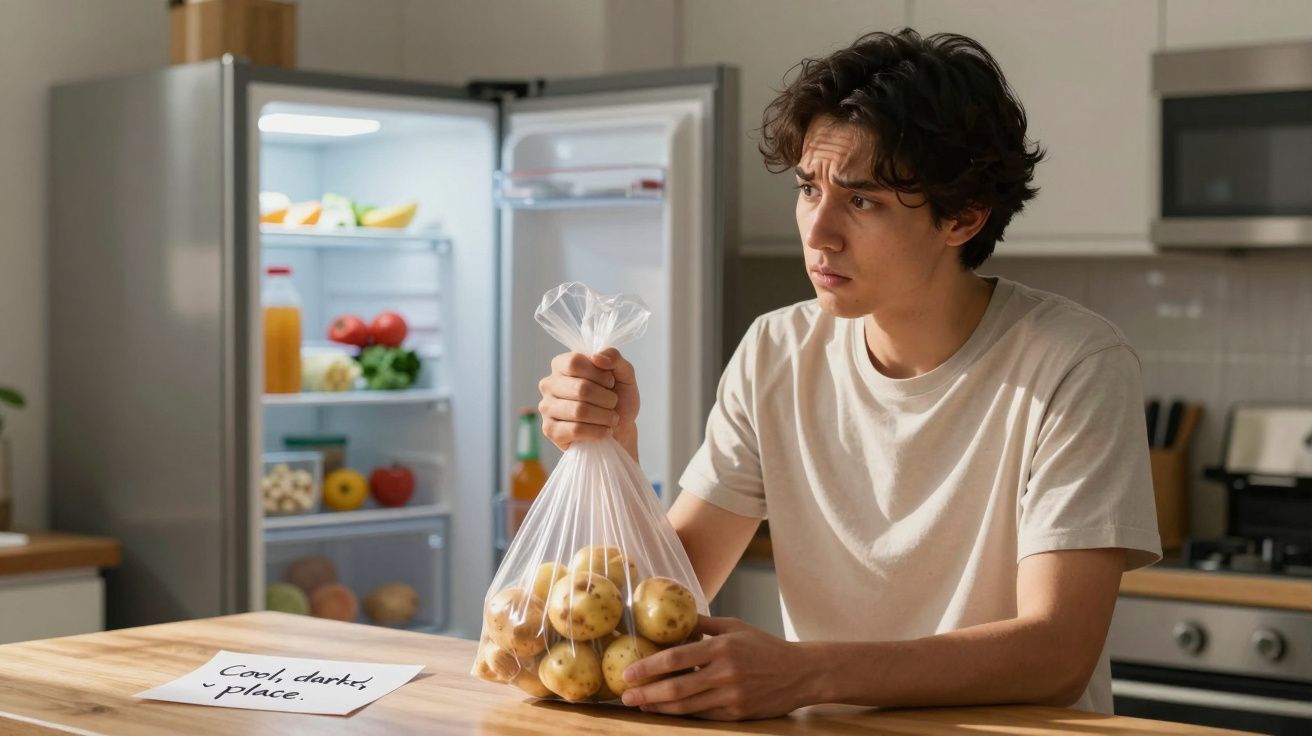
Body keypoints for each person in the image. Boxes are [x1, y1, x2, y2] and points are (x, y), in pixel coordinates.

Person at [537, 28, 1160, 721]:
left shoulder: (1073, 364)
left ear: (963, 216)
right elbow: (672, 586)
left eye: (861, 201)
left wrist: (804, 674)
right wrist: (615, 443)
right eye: (809, 189)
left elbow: (1056, 654)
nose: (818, 232)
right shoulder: (776, 350)